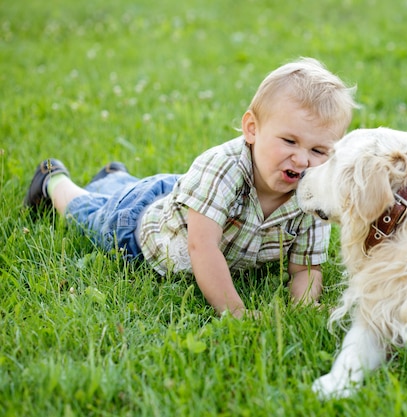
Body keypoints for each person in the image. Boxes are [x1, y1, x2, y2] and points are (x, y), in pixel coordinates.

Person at [24, 57, 357, 319]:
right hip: (140, 230)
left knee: (124, 189)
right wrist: (235, 310)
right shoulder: (223, 168)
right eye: (289, 141)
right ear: (252, 129)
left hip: (185, 198)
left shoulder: (314, 193)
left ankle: (114, 176)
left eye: (318, 151)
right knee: (89, 213)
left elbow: (307, 267)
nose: (301, 159)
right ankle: (53, 179)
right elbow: (202, 247)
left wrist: (303, 306)